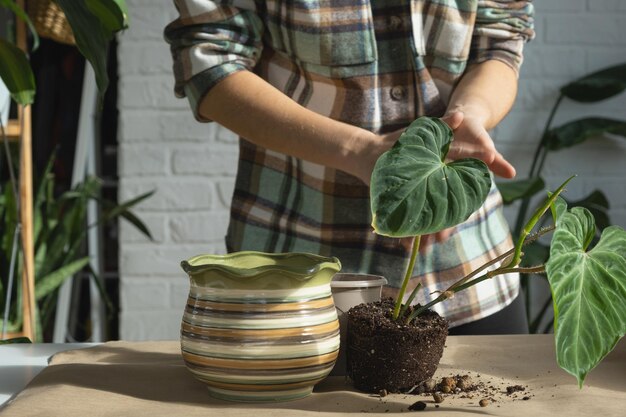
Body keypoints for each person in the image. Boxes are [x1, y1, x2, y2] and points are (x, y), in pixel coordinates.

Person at [165, 0, 535, 334]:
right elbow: (209, 62)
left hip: (467, 268)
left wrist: (468, 115)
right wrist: (359, 151)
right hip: (300, 264)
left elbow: (500, 38)